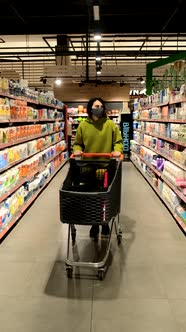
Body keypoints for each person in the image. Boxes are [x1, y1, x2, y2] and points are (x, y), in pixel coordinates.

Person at [73, 97, 123, 239]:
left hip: (106, 168)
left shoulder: (110, 125)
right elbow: (78, 144)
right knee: (92, 197)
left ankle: (104, 222)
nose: (98, 108)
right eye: (96, 105)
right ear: (90, 108)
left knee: (104, 198)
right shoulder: (83, 126)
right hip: (88, 167)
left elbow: (118, 142)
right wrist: (77, 150)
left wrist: (117, 150)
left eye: (101, 106)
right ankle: (95, 224)